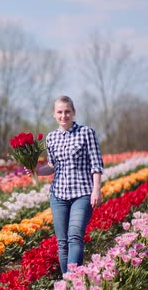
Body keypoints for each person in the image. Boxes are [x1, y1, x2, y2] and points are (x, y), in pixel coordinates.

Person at [35, 95, 104, 274]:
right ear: (54, 114)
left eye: (67, 111)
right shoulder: (51, 138)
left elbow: (96, 164)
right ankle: (71, 281)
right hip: (58, 195)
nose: (63, 115)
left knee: (75, 236)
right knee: (62, 241)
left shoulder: (86, 133)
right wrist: (35, 169)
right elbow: (52, 166)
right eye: (60, 112)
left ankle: (71, 281)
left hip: (82, 193)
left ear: (73, 113)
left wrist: (96, 189)